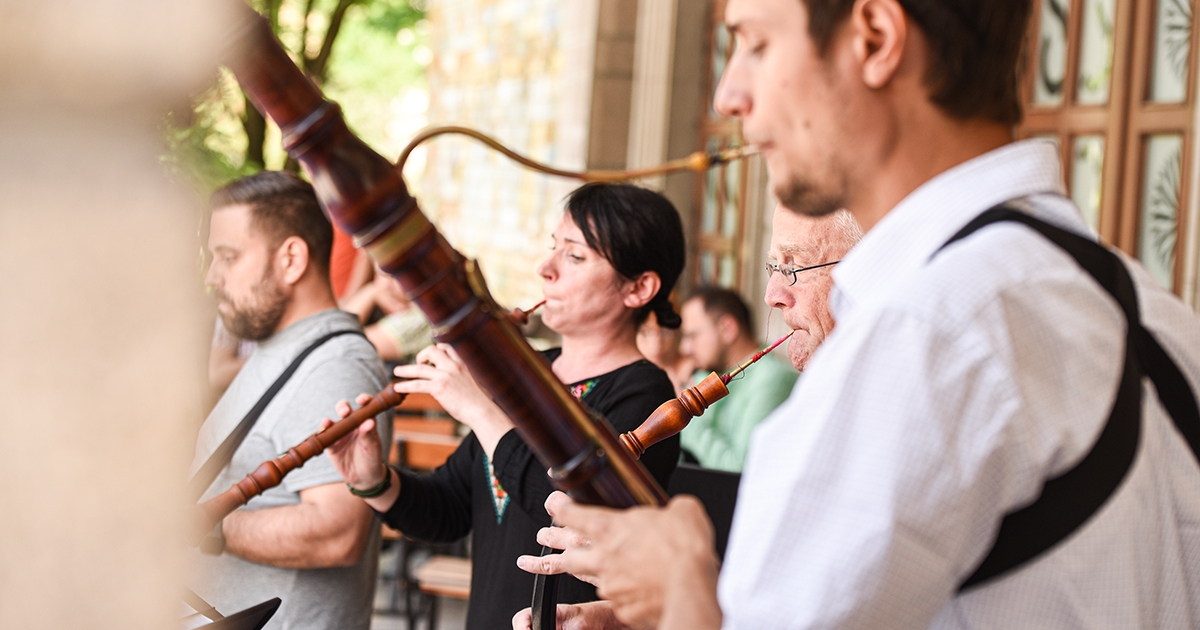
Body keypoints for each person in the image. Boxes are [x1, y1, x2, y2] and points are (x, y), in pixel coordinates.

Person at [514, 1, 1200, 629]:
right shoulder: (1146, 307)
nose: (729, 95)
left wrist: (678, 589)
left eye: (755, 44)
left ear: (875, 37)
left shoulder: (924, 329)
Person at [323, 182, 686, 630]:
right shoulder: (528, 375)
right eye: (553, 248)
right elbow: (451, 509)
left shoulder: (647, 394)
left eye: (574, 256)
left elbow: (564, 506)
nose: (545, 268)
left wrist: (478, 408)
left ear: (638, 288)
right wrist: (374, 481)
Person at [188, 171, 391, 630]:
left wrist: (199, 525)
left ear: (292, 259)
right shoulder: (282, 348)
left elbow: (338, 532)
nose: (212, 276)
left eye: (229, 257)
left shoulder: (334, 366)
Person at [677, 285, 797, 471]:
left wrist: (682, 416)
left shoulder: (773, 379)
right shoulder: (704, 376)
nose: (685, 349)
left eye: (693, 336)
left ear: (728, 329)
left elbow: (739, 470)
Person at [340, 265, 434, 363]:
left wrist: (370, 292)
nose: (385, 285)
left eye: (393, 276)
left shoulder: (419, 319)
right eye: (380, 273)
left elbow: (341, 341)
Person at [636, 311, 694, 395]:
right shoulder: (635, 379)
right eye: (647, 333)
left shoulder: (695, 372)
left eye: (665, 332)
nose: (656, 344)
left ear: (677, 333)